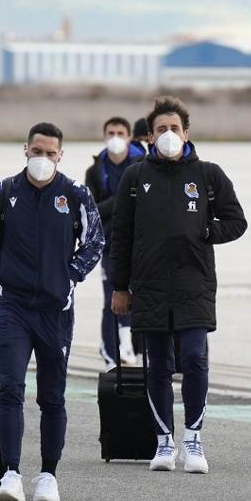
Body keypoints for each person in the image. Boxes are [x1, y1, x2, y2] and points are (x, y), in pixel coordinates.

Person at [0, 123, 104, 501]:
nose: (42, 159)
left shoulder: (75, 193)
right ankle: (11, 474)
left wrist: (69, 276)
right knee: (10, 389)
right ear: (25, 149)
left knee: (52, 397)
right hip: (12, 307)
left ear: (61, 155)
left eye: (50, 153)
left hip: (56, 311)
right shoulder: (3, 191)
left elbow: (95, 240)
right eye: (36, 151)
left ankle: (48, 476)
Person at [110, 96, 247, 474]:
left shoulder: (208, 175)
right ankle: (164, 442)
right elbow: (120, 235)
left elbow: (237, 221)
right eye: (161, 129)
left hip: (194, 283)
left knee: (194, 359)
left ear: (186, 133)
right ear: (149, 136)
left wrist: (207, 230)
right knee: (158, 366)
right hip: (150, 285)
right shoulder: (135, 177)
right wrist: (120, 287)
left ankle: (193, 439)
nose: (168, 135)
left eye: (174, 128)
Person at [84, 116, 146, 370]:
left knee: (140, 299)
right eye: (111, 133)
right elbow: (91, 210)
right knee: (111, 299)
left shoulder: (141, 164)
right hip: (110, 244)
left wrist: (112, 203)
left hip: (140, 244)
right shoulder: (95, 170)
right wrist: (121, 198)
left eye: (121, 133)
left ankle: (138, 351)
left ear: (129, 137)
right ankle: (111, 357)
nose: (115, 138)